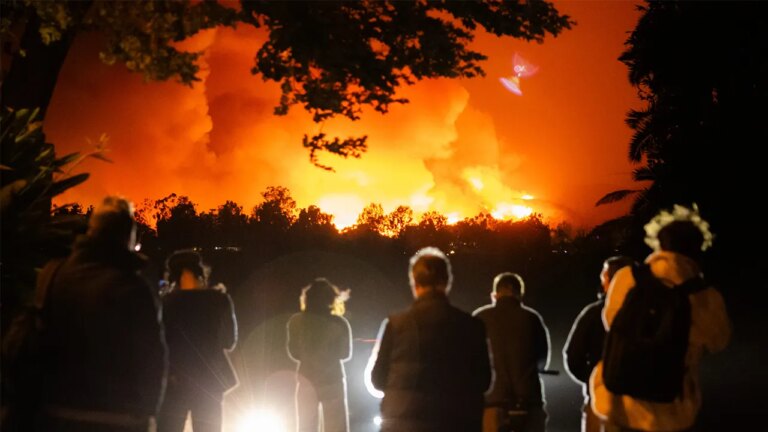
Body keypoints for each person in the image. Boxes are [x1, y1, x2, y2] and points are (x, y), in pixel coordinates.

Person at [590, 204, 731, 432]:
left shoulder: (628, 278)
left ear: (658, 243)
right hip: (672, 410)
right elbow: (718, 342)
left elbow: (610, 321)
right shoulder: (705, 296)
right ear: (698, 249)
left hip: (619, 404)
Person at [38, 196, 168, 431]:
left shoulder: (52, 275)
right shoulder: (134, 288)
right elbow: (151, 357)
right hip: (117, 417)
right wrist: (148, 413)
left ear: (91, 231)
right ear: (128, 237)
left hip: (58, 413)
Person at [367, 247, 491, 432]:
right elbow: (484, 381)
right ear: (447, 281)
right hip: (456, 422)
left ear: (414, 283)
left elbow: (377, 379)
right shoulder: (472, 326)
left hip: (403, 424)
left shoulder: (396, 324)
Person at [157, 250, 238, 432]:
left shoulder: (165, 303)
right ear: (201, 272)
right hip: (209, 379)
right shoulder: (219, 301)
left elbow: (158, 344)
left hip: (175, 380)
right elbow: (229, 341)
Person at [563, 256, 634, 432]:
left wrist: (592, 380)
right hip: (641, 407)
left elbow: (573, 356)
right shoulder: (649, 313)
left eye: (604, 277)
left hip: (601, 404)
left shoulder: (594, 314)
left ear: (610, 280)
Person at [473, 272, 551, 432]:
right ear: (520, 294)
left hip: (491, 403)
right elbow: (542, 359)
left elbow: (470, 361)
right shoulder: (532, 318)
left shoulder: (479, 319)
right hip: (528, 402)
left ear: (494, 295)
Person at [286, 278, 352, 432]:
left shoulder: (296, 321)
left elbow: (293, 352)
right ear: (331, 299)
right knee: (336, 427)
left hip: (307, 379)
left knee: (306, 427)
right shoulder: (340, 323)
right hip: (333, 380)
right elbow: (345, 353)